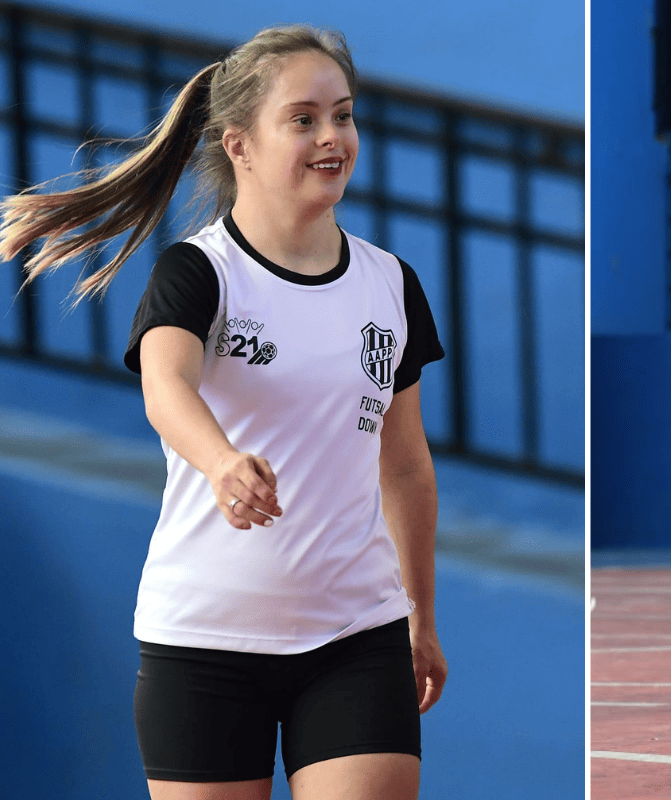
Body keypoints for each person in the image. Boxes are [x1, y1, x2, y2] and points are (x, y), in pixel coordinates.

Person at [0, 25, 447, 800]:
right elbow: (165, 386)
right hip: (204, 643)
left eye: (343, 115)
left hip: (357, 638)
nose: (332, 136)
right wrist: (222, 462)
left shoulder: (391, 284)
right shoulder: (198, 272)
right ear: (238, 144)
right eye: (303, 119)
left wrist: (420, 614)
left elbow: (404, 462)